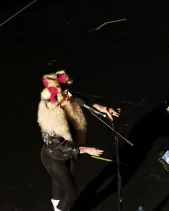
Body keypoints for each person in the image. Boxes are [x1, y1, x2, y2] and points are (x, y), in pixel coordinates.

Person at [37, 70, 120, 211]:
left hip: (67, 153)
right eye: (65, 94)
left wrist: (105, 110)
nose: (70, 95)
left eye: (68, 91)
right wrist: (86, 149)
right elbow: (59, 146)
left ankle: (56, 206)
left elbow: (86, 104)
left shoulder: (68, 100)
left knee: (58, 181)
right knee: (70, 191)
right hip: (54, 157)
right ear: (56, 98)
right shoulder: (50, 121)